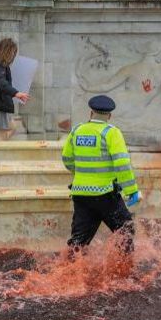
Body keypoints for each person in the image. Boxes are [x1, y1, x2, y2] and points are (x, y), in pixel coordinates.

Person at [62, 95, 139, 259]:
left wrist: (83, 175)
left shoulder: (76, 130)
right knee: (126, 231)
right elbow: (122, 164)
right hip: (106, 195)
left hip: (80, 194)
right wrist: (131, 190)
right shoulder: (111, 132)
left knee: (79, 242)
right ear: (109, 116)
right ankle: (122, 271)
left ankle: (69, 274)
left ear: (91, 113)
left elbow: (67, 159)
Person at [0, 38, 31, 140]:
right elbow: (1, 83)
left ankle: (0, 148)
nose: (13, 55)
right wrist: (16, 93)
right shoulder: (0, 65)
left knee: (13, 127)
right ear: (6, 51)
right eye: (12, 52)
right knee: (2, 134)